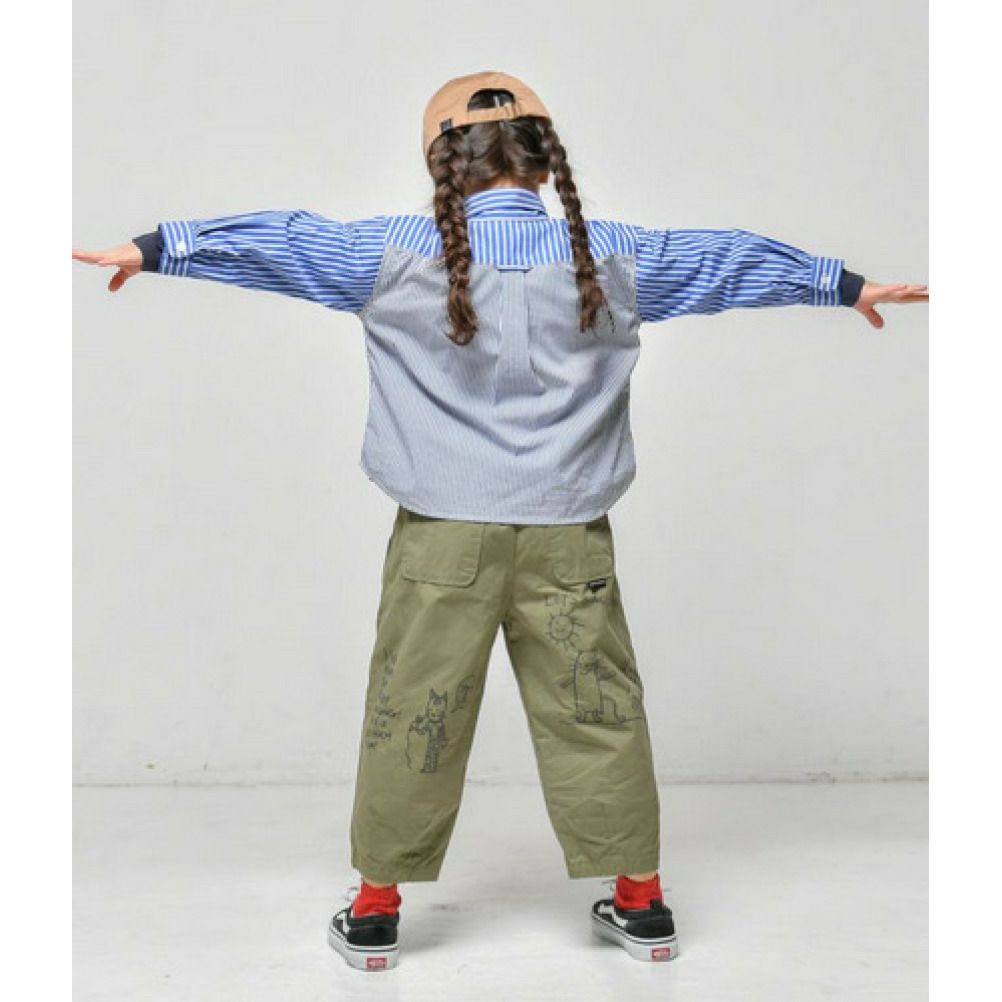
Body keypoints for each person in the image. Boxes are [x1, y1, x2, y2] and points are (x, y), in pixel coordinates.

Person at [72, 69, 929, 972]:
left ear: (439, 161)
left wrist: (161, 248)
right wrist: (841, 284)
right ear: (546, 159)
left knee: (412, 708)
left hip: (439, 542)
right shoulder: (614, 253)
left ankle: (376, 911)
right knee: (598, 710)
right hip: (570, 540)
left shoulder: (388, 251)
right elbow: (728, 259)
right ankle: (641, 905)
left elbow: (283, 241)